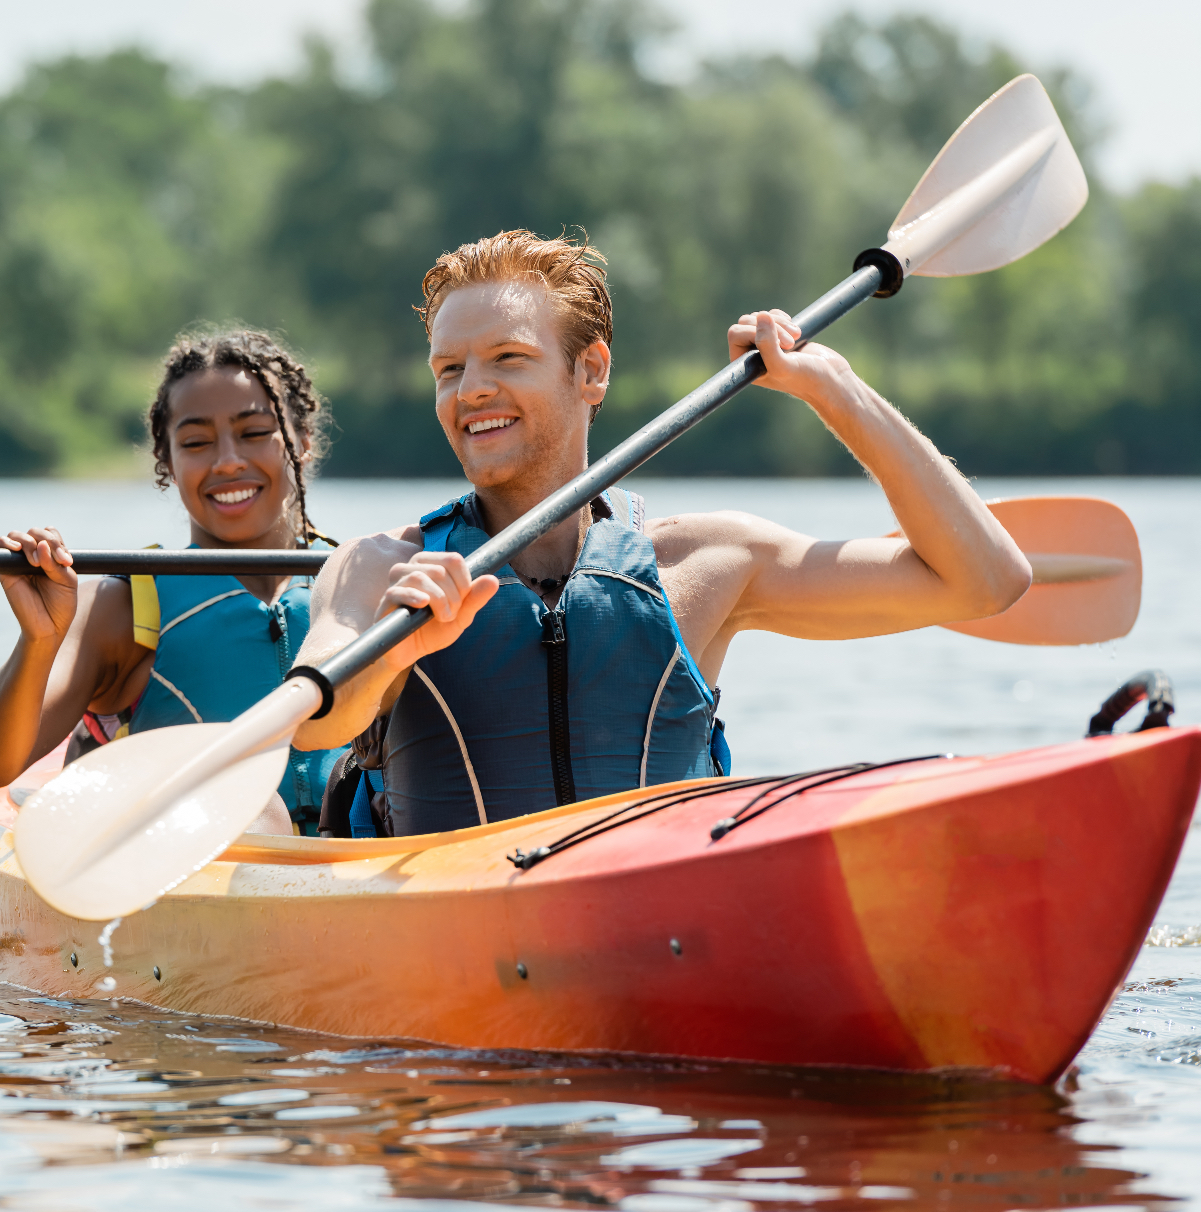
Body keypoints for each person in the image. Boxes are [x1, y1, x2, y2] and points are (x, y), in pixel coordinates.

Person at [292, 230, 1032, 837]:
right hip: (450, 937)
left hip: (662, 927)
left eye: (508, 358)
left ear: (592, 371)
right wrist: (396, 649)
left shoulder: (709, 560)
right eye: (448, 369)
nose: (472, 389)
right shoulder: (381, 568)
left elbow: (986, 581)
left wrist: (835, 389)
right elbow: (313, 725)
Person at [0, 329, 345, 834]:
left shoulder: (356, 583)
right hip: (195, 863)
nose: (228, 460)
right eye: (196, 442)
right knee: (257, 814)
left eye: (254, 433)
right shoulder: (123, 606)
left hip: (347, 852)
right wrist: (39, 640)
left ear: (303, 442)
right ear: (167, 461)